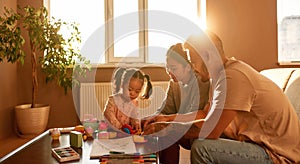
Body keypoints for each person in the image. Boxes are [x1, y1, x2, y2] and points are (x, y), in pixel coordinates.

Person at [142, 31, 300, 164]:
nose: (194, 68)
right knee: (181, 135)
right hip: (259, 146)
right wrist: (166, 119)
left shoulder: (234, 77)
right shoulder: (220, 76)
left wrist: (164, 128)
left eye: (193, 61)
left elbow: (212, 130)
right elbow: (205, 114)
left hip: (277, 154)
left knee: (202, 148)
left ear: (208, 56)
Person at [146, 43, 210, 164]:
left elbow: (195, 117)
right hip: (181, 128)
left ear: (188, 67)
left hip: (197, 130)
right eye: (167, 67)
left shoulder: (201, 83)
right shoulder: (174, 83)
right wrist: (148, 120)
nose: (169, 72)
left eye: (173, 68)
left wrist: (165, 122)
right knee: (160, 131)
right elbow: (164, 110)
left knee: (166, 131)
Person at [104, 67, 152, 133]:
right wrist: (121, 127)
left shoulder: (134, 103)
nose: (132, 93)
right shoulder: (113, 100)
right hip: (111, 132)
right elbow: (109, 116)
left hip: (126, 133)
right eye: (129, 89)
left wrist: (136, 124)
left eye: (137, 91)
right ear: (122, 85)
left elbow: (135, 116)